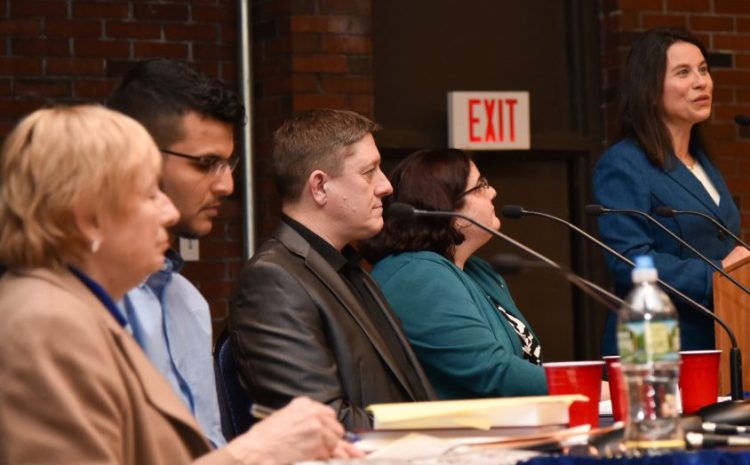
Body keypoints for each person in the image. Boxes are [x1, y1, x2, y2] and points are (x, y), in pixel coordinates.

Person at [0, 105, 360, 464]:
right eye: (149, 195)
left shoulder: (73, 308)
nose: (169, 213)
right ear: (88, 217)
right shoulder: (45, 325)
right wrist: (254, 451)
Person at [229, 108, 436, 430]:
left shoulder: (345, 265)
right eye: (369, 172)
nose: (385, 186)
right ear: (320, 187)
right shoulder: (273, 280)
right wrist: (436, 432)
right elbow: (325, 426)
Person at [106, 58, 243, 445]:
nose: (227, 185)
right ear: (137, 157)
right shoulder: (84, 307)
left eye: (228, 162)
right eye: (206, 164)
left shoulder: (190, 303)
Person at [593, 28, 750, 355]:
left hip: (719, 338)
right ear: (649, 90)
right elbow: (629, 263)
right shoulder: (623, 164)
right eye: (683, 72)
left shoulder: (703, 160)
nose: (701, 82)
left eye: (703, 70)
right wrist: (719, 273)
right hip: (655, 346)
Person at [359, 148, 547, 399]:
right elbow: (492, 372)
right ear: (452, 213)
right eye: (480, 186)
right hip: (462, 433)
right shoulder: (417, 276)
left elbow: (524, 362)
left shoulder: (478, 270)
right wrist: (592, 387)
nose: (493, 192)